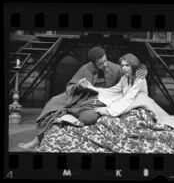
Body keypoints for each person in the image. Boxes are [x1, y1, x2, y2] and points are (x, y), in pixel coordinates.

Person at [18, 47, 148, 150]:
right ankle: (37, 140)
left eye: (105, 61)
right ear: (93, 63)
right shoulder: (85, 69)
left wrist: (143, 69)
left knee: (84, 115)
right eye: (101, 63)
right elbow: (70, 87)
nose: (104, 65)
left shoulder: (113, 67)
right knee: (54, 103)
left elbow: (130, 68)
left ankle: (45, 134)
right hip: (81, 96)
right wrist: (80, 86)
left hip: (101, 99)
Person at [85, 53, 174, 129]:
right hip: (130, 105)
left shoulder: (139, 78)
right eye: (122, 65)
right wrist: (93, 88)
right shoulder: (124, 78)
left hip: (142, 106)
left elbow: (130, 96)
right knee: (106, 121)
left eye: (127, 65)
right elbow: (114, 90)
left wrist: (109, 111)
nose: (124, 68)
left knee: (126, 123)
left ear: (133, 66)